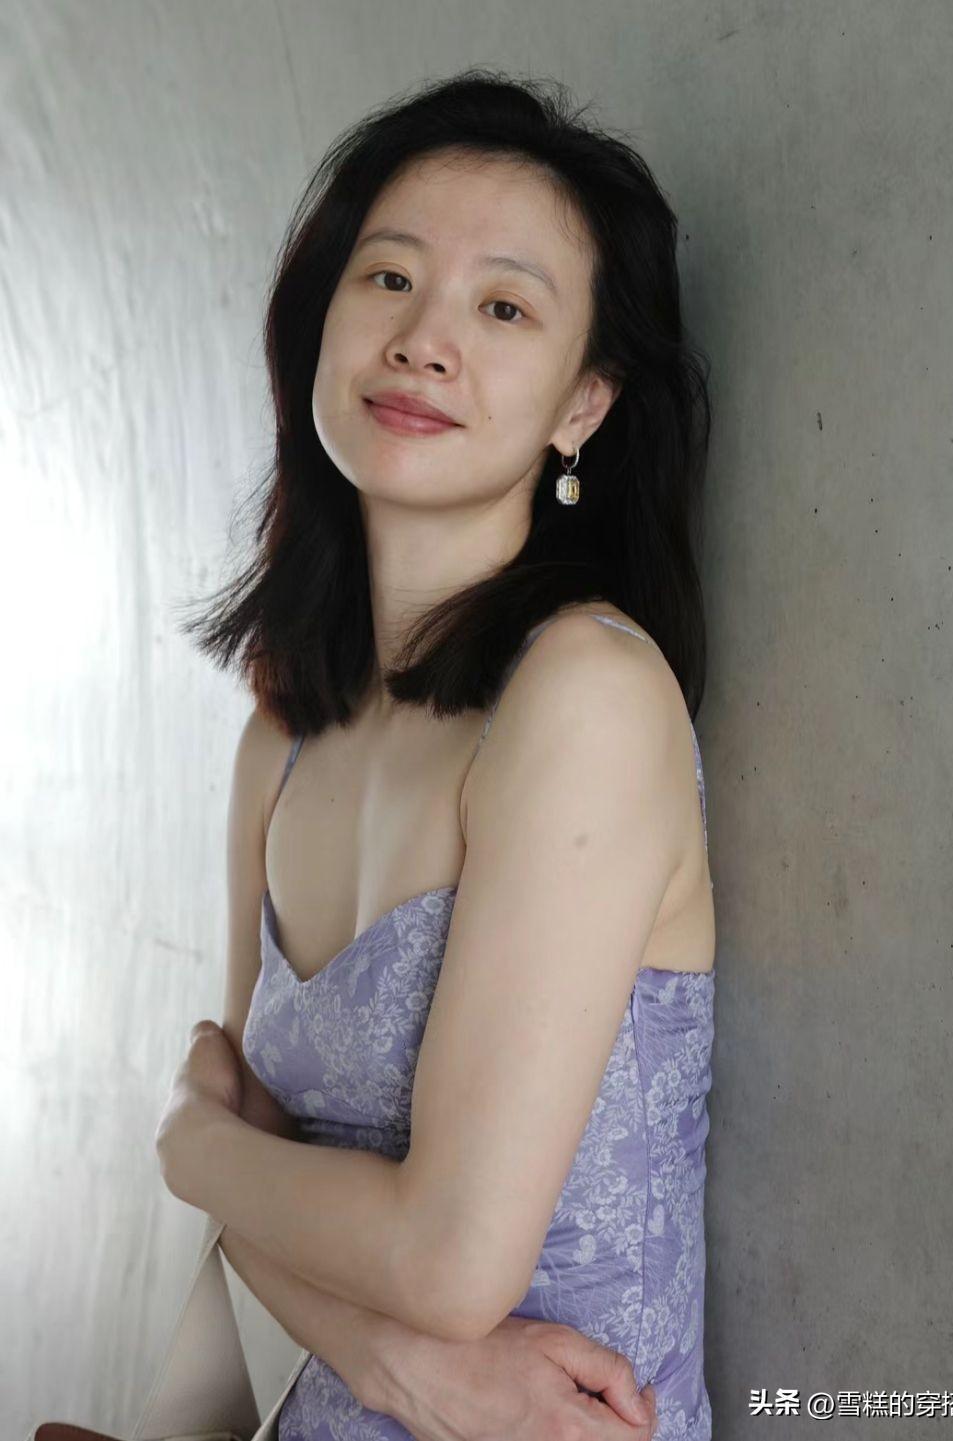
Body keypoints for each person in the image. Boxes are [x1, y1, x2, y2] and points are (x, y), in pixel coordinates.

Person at [159, 67, 715, 1440]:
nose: (423, 341)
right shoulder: (281, 735)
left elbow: (449, 1259)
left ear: (583, 405)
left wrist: (187, 1144)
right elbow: (260, 1206)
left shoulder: (585, 696)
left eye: (503, 308)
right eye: (390, 279)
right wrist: (405, 1367)